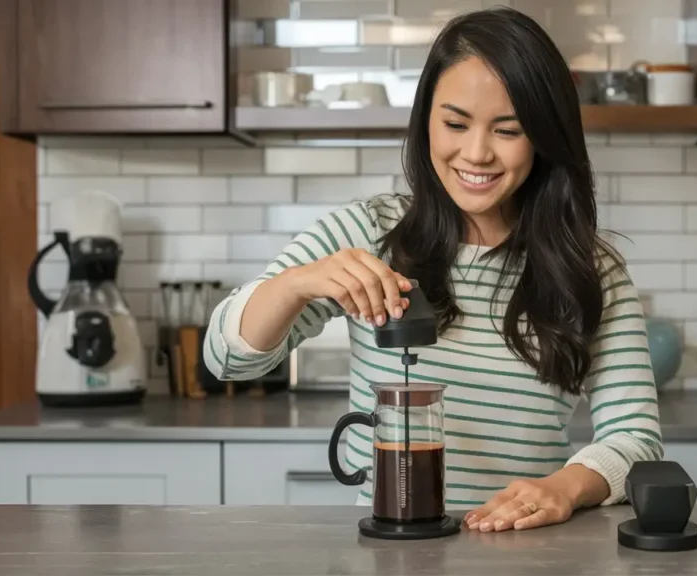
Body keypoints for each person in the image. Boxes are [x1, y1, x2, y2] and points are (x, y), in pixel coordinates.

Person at [203, 6, 662, 533]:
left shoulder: (591, 270)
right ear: (426, 121)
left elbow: (637, 439)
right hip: (391, 550)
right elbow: (224, 360)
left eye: (507, 130)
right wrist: (295, 284)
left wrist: (565, 487)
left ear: (543, 137)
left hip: (530, 551)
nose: (476, 153)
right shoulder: (368, 233)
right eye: (455, 123)